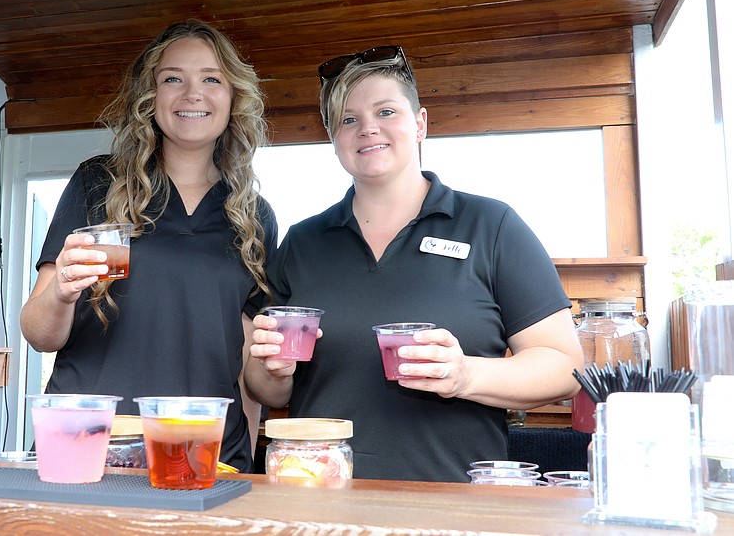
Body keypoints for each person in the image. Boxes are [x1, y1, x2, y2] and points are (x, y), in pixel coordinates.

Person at [243, 46, 584, 482]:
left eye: (386, 111)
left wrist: (464, 375)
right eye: (348, 119)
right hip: (318, 498)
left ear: (420, 122)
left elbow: (564, 367)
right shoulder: (303, 241)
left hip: (454, 502)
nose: (368, 128)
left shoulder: (491, 225)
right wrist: (274, 369)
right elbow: (267, 387)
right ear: (333, 137)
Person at [20, 19, 277, 473]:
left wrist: (243, 458)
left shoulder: (253, 215)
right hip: (94, 445)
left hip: (204, 453)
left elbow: (245, 361)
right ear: (149, 98)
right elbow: (39, 334)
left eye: (211, 79)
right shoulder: (99, 183)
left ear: (234, 96)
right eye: (172, 78)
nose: (193, 93)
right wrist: (61, 291)